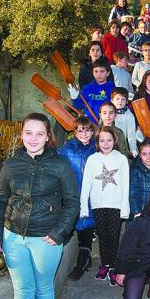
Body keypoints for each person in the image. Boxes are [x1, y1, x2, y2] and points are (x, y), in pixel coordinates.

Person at [0, 113, 79, 298]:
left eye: (39, 134)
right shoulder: (11, 165)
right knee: (22, 290)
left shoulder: (60, 164)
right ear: (21, 135)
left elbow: (72, 203)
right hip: (13, 237)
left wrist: (59, 233)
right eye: (28, 133)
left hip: (46, 237)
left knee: (44, 289)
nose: (33, 139)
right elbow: (0, 203)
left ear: (47, 137)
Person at [79, 125, 130, 285]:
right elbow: (86, 184)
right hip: (98, 204)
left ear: (114, 141)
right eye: (102, 140)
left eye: (109, 140)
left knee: (114, 237)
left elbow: (125, 184)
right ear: (97, 142)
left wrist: (125, 207)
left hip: (115, 205)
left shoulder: (121, 159)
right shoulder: (93, 159)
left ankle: (114, 266)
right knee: (103, 236)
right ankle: (105, 264)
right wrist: (83, 207)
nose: (106, 143)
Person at [58, 117, 97, 281]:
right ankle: (83, 259)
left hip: (92, 195)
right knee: (71, 227)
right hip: (72, 194)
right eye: (80, 130)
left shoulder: (97, 147)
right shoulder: (67, 149)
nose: (84, 133)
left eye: (87, 130)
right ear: (74, 132)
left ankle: (81, 263)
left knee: (86, 230)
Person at [69, 58, 116, 124]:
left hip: (106, 125)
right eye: (96, 71)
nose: (99, 74)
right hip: (89, 126)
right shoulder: (87, 88)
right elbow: (77, 106)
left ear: (108, 73)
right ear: (92, 73)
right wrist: (74, 98)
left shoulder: (112, 89)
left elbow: (116, 108)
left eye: (102, 71)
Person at [111, 88, 138, 157]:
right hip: (108, 144)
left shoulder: (129, 115)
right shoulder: (108, 112)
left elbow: (131, 135)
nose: (120, 101)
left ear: (126, 101)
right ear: (112, 100)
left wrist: (133, 150)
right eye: (117, 99)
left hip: (122, 144)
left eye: (123, 99)